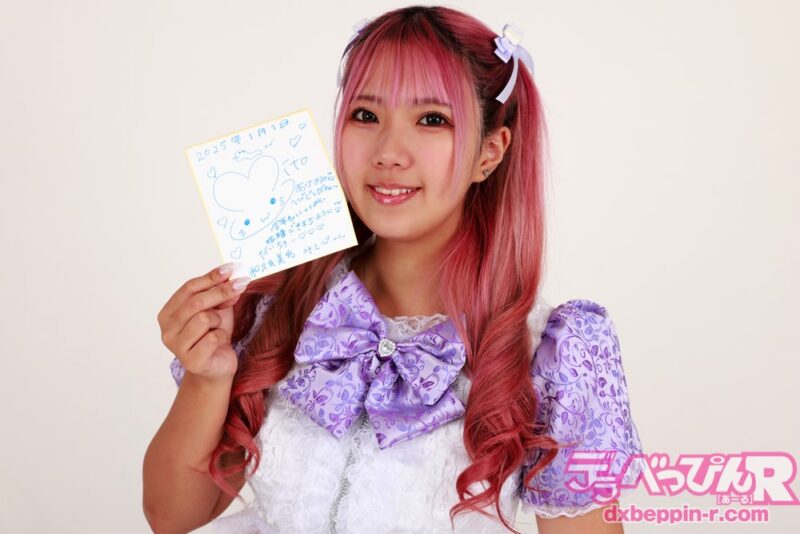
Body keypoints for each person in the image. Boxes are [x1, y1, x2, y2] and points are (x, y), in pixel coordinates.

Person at [143, 5, 644, 533]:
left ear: (489, 153)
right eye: (366, 115)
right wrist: (208, 378)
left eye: (432, 120)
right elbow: (171, 517)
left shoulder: (554, 353)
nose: (387, 152)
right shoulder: (277, 305)